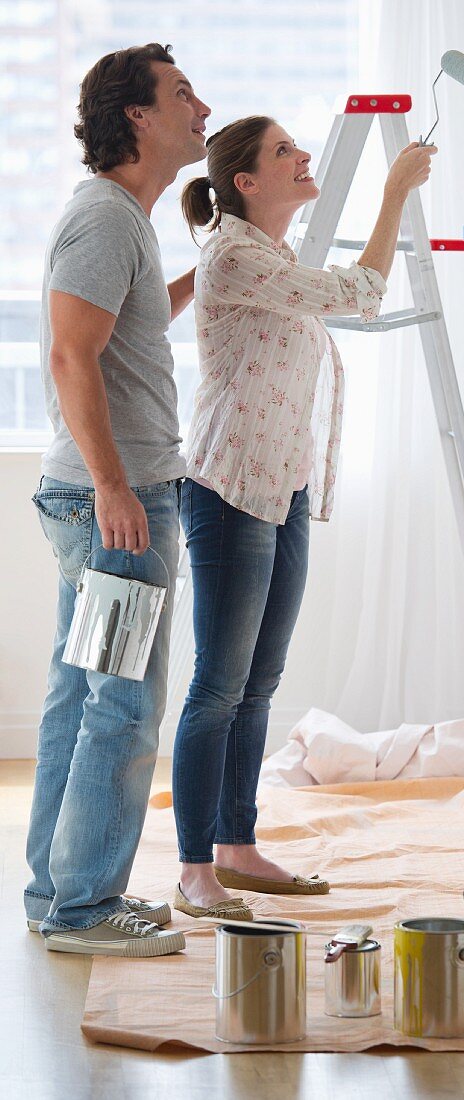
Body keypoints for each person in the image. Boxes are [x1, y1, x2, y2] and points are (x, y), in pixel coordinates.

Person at [172, 115, 436, 919]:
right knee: (219, 687)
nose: (303, 155)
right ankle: (193, 871)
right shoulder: (239, 255)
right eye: (284, 150)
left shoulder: (271, 254)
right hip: (227, 491)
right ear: (246, 182)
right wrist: (393, 192)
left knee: (257, 686)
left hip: (279, 488)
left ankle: (237, 846)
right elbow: (360, 294)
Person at [25, 43, 211, 956]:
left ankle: (54, 892)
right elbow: (70, 355)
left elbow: (122, 332)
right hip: (116, 500)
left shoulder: (123, 220)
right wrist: (112, 487)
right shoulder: (103, 218)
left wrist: (198, 278)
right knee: (123, 706)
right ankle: (86, 910)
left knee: (81, 697)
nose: (201, 107)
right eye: (182, 94)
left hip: (107, 493)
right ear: (137, 116)